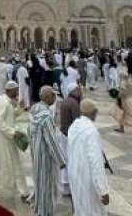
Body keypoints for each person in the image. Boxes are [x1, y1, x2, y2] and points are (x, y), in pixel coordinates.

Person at [67, 99, 110, 216]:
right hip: (88, 178)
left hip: (74, 174)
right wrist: (103, 190)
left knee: (80, 208)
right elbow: (96, 162)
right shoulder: (91, 131)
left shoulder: (73, 127)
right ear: (93, 112)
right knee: (94, 210)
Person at [29, 86, 66, 216]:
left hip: (37, 154)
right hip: (46, 158)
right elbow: (52, 142)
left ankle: (39, 210)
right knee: (47, 187)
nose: (55, 98)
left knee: (39, 184)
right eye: (53, 95)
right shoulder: (46, 117)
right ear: (47, 97)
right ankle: (45, 212)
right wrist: (61, 161)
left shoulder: (34, 110)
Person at [59, 82, 81, 196]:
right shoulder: (73, 103)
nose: (79, 92)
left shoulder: (64, 101)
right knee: (71, 160)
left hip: (63, 133)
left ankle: (65, 185)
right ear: (73, 91)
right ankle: (70, 185)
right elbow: (77, 122)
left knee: (65, 158)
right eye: (77, 90)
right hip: (69, 136)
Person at [110, 68, 132, 136]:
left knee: (130, 115)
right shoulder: (129, 82)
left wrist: (117, 97)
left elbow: (122, 93)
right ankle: (122, 127)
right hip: (131, 100)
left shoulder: (123, 83)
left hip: (126, 101)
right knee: (125, 114)